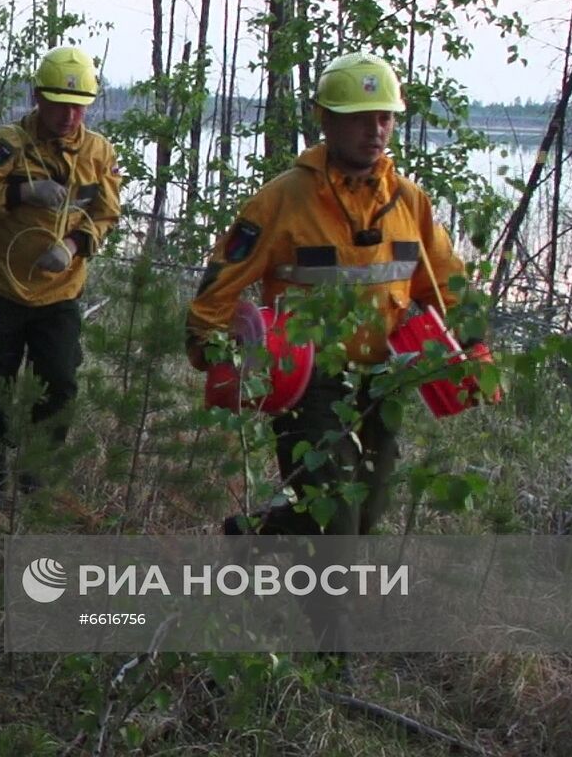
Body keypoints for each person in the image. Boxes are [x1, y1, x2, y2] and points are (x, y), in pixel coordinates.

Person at [186, 51, 466, 537]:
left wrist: (471, 340)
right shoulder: (283, 199)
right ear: (326, 120)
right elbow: (222, 281)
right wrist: (211, 350)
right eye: (360, 119)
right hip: (309, 379)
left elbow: (443, 283)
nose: (376, 130)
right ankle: (330, 614)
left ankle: (256, 534)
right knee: (334, 520)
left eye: (385, 118)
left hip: (383, 381)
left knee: (366, 513)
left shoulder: (409, 201)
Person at [0, 46, 121, 499]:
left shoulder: (98, 152)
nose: (69, 115)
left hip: (59, 292)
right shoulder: (7, 143)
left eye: (78, 105)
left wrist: (73, 246)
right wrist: (22, 192)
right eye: (58, 103)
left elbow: (106, 215)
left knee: (60, 383)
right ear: (37, 96)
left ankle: (35, 472)